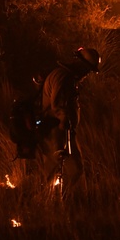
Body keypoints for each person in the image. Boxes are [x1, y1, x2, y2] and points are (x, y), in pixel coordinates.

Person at [36, 47, 101, 192]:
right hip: (56, 129)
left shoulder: (69, 78)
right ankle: (44, 199)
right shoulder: (62, 77)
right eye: (88, 69)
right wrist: (64, 121)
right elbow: (57, 105)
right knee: (53, 168)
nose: (87, 73)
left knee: (76, 169)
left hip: (66, 130)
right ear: (81, 64)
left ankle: (62, 199)